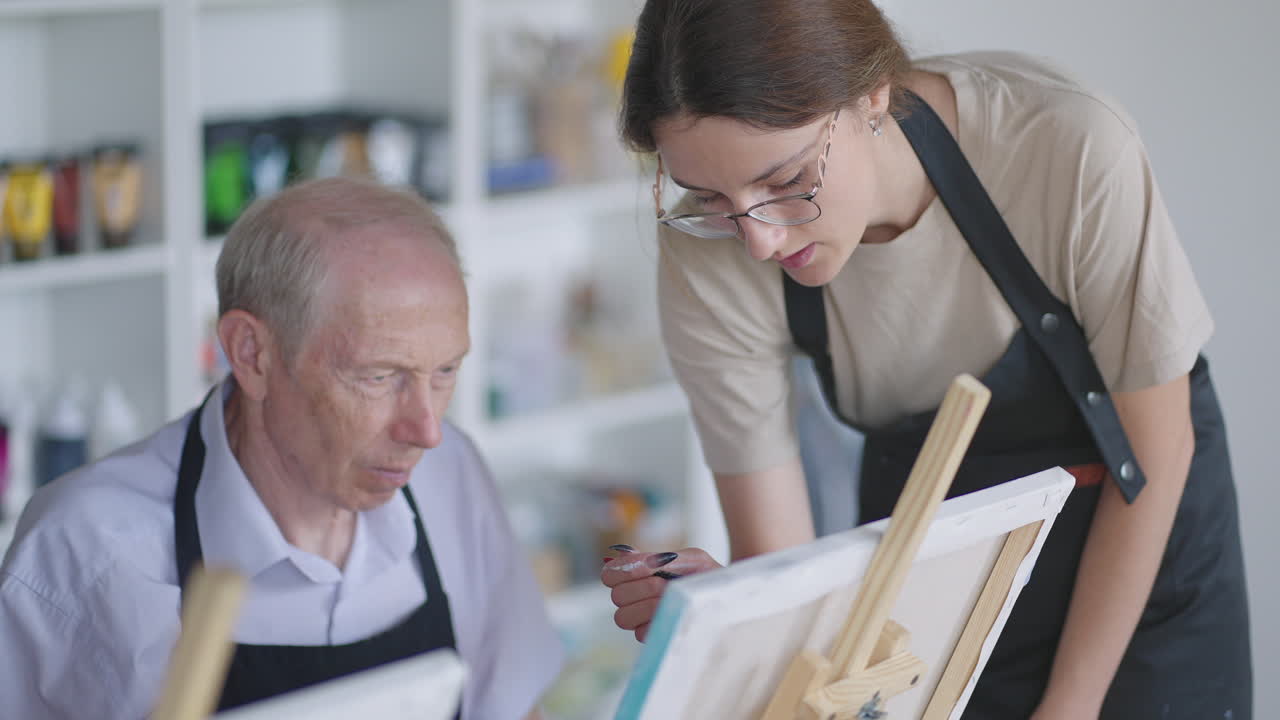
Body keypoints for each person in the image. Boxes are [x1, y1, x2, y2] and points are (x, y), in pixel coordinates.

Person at [601, 2, 1252, 719]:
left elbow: (1156, 452)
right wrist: (734, 615)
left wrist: (1067, 705)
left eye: (787, 182)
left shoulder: (1065, 143)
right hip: (940, 570)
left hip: (1139, 554)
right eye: (711, 198)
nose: (757, 242)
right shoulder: (708, 249)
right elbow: (778, 556)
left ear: (872, 94)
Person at [0, 178, 562, 720]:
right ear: (251, 354)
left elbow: (514, 708)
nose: (426, 430)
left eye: (444, 371)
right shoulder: (83, 550)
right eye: (378, 376)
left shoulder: (450, 476)